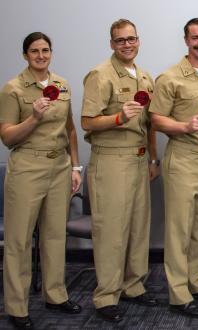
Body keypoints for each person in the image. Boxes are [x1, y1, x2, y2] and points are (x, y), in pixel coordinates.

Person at [0, 32, 82, 330]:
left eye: (45, 50)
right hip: (27, 167)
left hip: (59, 165)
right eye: (34, 51)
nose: (41, 56)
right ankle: (17, 307)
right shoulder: (13, 89)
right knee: (19, 241)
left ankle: (55, 295)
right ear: (25, 55)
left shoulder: (62, 85)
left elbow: (70, 129)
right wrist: (33, 117)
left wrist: (76, 167)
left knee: (54, 235)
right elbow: (8, 137)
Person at [81, 18, 159, 323]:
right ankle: (106, 296)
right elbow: (87, 122)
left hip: (139, 160)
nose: (127, 45)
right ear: (112, 44)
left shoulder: (145, 77)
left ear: (138, 41)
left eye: (131, 39)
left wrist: (153, 158)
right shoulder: (100, 76)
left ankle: (133, 286)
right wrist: (117, 117)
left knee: (139, 227)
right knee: (112, 231)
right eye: (120, 40)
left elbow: (149, 123)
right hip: (111, 160)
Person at [149, 17, 198, 318]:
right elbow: (155, 119)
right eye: (195, 38)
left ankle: (197, 281)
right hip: (182, 157)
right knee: (179, 229)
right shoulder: (169, 78)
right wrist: (183, 125)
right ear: (186, 40)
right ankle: (179, 294)